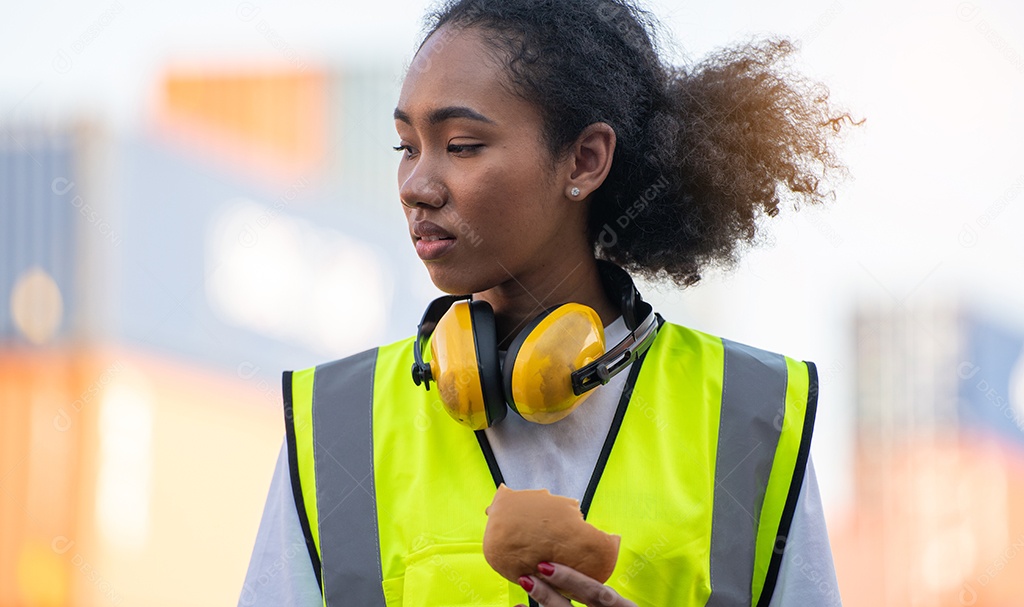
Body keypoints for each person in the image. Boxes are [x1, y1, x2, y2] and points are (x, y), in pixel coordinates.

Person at [240, 0, 857, 605]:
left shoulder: (753, 413)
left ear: (585, 160)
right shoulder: (335, 427)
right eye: (406, 146)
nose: (416, 186)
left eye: (460, 146)